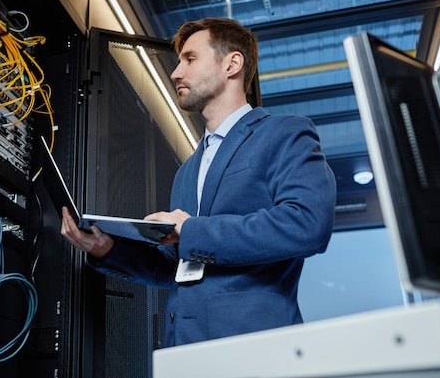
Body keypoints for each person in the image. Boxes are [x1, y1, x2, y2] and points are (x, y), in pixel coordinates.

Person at [60, 18, 337, 347]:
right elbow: (176, 268)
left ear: (232, 63)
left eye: (190, 59)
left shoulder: (284, 133)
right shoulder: (187, 171)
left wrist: (189, 230)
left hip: (256, 348)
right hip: (184, 349)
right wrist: (107, 249)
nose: (176, 73)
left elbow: (307, 224)